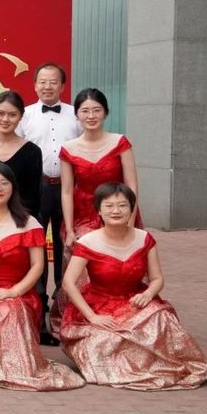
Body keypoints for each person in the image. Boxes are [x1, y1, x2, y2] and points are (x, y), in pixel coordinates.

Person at [0, 162, 84, 391]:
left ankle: (17, 367)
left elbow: (37, 267)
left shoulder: (30, 224)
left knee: (10, 311)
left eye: (4, 183)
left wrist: (13, 292)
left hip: (17, 293)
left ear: (13, 187)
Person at [60, 183, 207, 390]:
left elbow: (157, 279)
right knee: (103, 341)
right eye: (109, 206)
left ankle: (156, 366)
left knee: (161, 319)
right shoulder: (88, 242)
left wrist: (148, 294)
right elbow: (68, 283)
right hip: (99, 306)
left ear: (132, 209)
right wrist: (92, 317)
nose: (116, 211)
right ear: (99, 211)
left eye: (123, 205)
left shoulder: (144, 239)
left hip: (135, 302)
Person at [54, 88, 141, 333]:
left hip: (118, 212)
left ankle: (122, 314)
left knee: (120, 265)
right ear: (77, 115)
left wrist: (130, 222)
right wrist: (70, 229)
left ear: (106, 113)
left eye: (96, 110)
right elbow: (67, 191)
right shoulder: (68, 148)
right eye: (85, 111)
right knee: (82, 267)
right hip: (82, 215)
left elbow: (131, 185)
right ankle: (83, 319)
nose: (91, 116)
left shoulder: (120, 143)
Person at [0, 91, 48, 342]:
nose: (5, 119)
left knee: (33, 277)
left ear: (20, 117)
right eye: (1, 113)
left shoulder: (32, 151)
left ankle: (35, 327)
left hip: (21, 224)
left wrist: (16, 223)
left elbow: (34, 196)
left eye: (12, 115)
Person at [17, 63, 80, 344]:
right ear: (34, 85)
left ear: (62, 86)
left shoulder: (76, 115)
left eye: (53, 81)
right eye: (42, 81)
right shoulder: (25, 116)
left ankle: (64, 313)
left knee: (67, 248)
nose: (47, 86)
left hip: (69, 189)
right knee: (37, 250)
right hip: (37, 189)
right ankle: (39, 317)